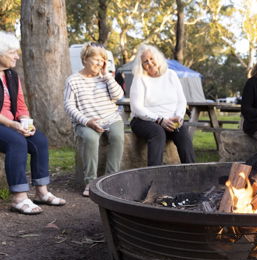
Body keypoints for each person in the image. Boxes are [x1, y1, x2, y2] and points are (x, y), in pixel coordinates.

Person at [0, 31, 66, 214]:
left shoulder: (12, 76)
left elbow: (20, 104)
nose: (16, 56)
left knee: (39, 140)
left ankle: (41, 192)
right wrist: (12, 124)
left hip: (11, 124)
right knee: (16, 141)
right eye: (12, 52)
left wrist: (24, 121)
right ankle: (19, 197)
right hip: (4, 125)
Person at [64, 42, 125, 196]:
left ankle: (111, 179)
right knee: (91, 139)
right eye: (96, 60)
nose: (100, 64)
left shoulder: (105, 77)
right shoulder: (73, 80)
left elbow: (119, 96)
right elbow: (69, 106)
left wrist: (107, 76)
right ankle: (90, 182)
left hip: (111, 117)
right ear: (85, 59)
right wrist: (87, 121)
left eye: (102, 60)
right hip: (86, 121)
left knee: (118, 137)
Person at [129, 44, 195, 165]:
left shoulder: (171, 75)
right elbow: (137, 108)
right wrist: (160, 120)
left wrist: (179, 117)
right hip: (143, 121)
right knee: (157, 132)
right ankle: (153, 177)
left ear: (158, 58)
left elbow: (181, 100)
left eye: (151, 58)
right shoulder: (140, 78)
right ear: (141, 65)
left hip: (170, 120)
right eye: (145, 61)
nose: (150, 63)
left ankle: (192, 172)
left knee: (183, 131)